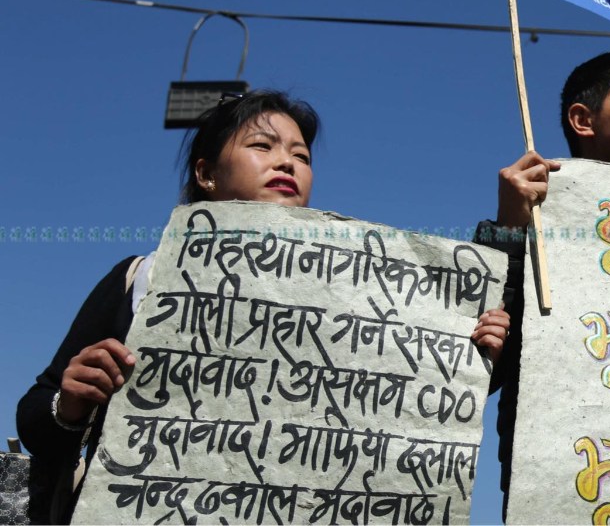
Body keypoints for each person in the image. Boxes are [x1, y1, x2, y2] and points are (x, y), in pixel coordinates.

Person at [15, 90, 505, 523]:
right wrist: (71, 404)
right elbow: (37, 415)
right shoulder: (141, 277)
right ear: (206, 173)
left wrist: (473, 356)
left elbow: (413, 417)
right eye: (261, 146)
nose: (287, 163)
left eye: (301, 154)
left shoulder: (367, 303)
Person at [474, 51, 610, 519]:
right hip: (564, 485)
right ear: (583, 119)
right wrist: (510, 226)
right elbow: (473, 364)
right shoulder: (534, 222)